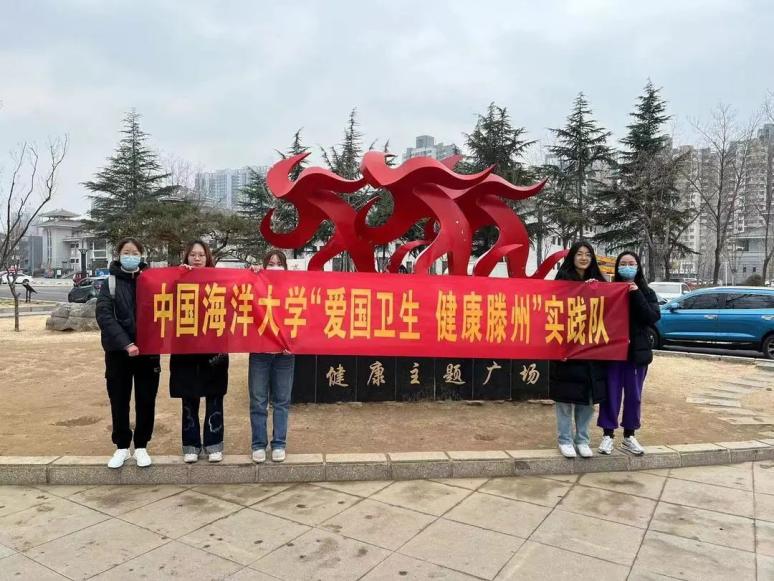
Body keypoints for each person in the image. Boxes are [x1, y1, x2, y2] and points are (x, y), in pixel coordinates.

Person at [95, 238, 160, 469]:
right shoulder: (110, 283)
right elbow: (104, 315)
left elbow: (170, 303)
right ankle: (122, 446)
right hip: (118, 353)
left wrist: (186, 273)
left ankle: (141, 446)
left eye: (134, 252)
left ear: (141, 256)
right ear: (119, 255)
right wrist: (126, 343)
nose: (130, 256)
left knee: (146, 400)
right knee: (119, 400)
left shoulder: (152, 280)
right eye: (126, 252)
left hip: (148, 352)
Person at [170, 240, 229, 463]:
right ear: (186, 257)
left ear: (208, 258)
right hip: (185, 348)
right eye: (193, 254)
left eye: (201, 255)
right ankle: (191, 445)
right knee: (189, 397)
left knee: (214, 396)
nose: (197, 258)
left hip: (214, 349)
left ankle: (214, 444)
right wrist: (178, 277)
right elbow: (164, 301)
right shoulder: (177, 279)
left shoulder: (219, 280)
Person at [597, 251, 660, 456]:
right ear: (617, 268)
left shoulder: (646, 292)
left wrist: (636, 293)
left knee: (634, 395)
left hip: (637, 353)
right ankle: (608, 435)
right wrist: (591, 287)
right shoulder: (610, 290)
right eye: (623, 264)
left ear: (638, 267)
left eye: (631, 263)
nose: (627, 267)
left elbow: (651, 317)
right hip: (613, 352)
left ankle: (629, 435)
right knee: (610, 394)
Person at [549, 241, 608, 459]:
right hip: (567, 348)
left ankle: (582, 440)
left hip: (591, 351)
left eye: (588, 254)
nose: (584, 258)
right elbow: (554, 312)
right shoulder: (562, 279)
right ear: (572, 257)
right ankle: (565, 440)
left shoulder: (600, 282)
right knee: (565, 399)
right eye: (579, 254)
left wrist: (597, 290)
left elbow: (609, 313)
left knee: (587, 400)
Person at [248, 250, 294, 463]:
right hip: (259, 354)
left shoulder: (292, 289)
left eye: (279, 263)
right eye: (271, 263)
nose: (275, 267)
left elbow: (302, 318)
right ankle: (258, 444)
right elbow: (238, 294)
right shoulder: (256, 284)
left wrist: (293, 344)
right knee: (258, 401)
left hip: (284, 356)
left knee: (281, 402)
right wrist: (251, 274)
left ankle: (279, 444)